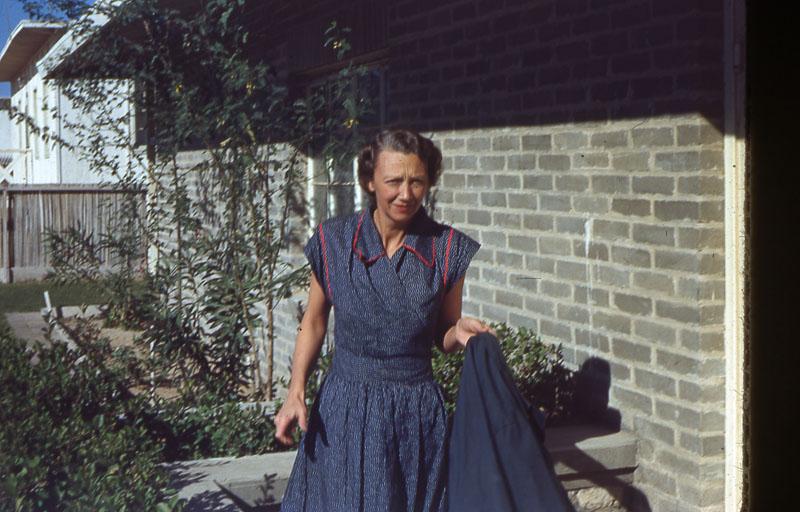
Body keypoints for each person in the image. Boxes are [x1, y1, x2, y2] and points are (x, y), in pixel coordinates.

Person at [276, 129, 491, 512]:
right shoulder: (334, 241)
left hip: (414, 413)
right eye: (394, 181)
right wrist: (296, 392)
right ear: (369, 181)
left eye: (417, 181)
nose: (406, 194)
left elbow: (443, 332)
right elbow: (313, 322)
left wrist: (458, 332)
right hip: (344, 407)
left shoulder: (446, 249)